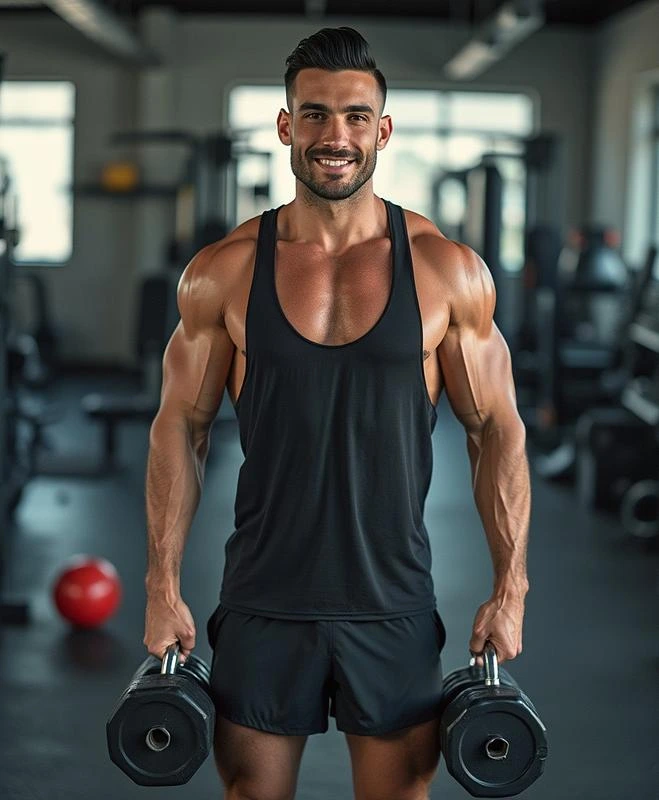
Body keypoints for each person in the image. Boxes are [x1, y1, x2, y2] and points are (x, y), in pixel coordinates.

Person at [143, 26, 530, 800]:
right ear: (286, 126)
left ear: (381, 131)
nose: (335, 136)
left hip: (390, 599)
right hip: (262, 595)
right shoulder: (221, 273)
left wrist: (509, 588)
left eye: (355, 117)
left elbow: (495, 430)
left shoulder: (446, 270)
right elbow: (179, 427)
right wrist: (161, 582)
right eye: (314, 115)